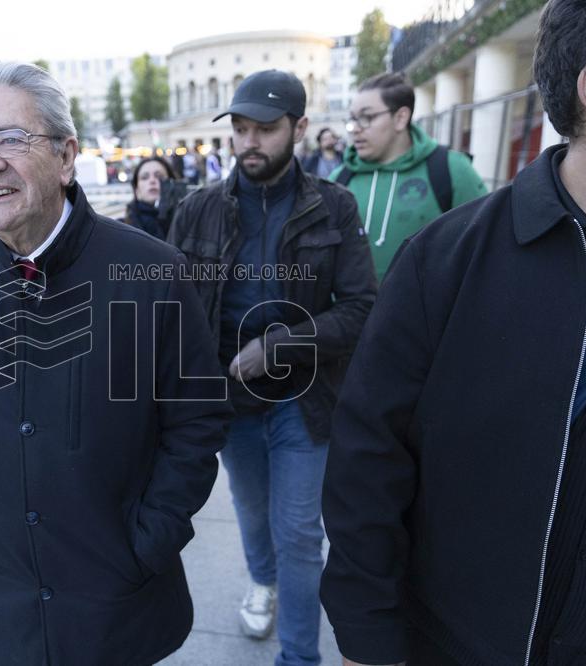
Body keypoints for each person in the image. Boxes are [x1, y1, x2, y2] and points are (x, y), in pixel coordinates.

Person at [321, 1, 586, 664]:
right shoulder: (447, 261)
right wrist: (367, 639)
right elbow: (369, 462)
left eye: (366, 116)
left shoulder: (451, 180)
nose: (356, 129)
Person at [0, 59, 231, 666]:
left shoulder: (153, 272)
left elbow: (197, 424)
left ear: (65, 153)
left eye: (9, 139)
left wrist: (146, 542)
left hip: (119, 602)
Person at [168, 69, 377, 666]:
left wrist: (281, 345)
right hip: (230, 401)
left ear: (299, 128)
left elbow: (363, 309)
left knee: (300, 534)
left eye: (265, 128)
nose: (250, 141)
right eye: (240, 129)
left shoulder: (334, 206)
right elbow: (176, 310)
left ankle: (299, 657)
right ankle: (263, 581)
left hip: (304, 401)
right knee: (252, 511)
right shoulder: (198, 210)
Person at [330, 72, 486, 281]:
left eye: (367, 118)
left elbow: (485, 246)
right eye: (352, 119)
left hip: (428, 311)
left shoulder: (452, 169)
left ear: (400, 118)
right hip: (351, 312)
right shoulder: (338, 178)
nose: (355, 129)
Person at [122, 156, 180, 240]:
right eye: (144, 177)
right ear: (136, 189)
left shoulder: (186, 223)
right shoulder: (122, 228)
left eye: (159, 176)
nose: (152, 180)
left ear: (172, 183)